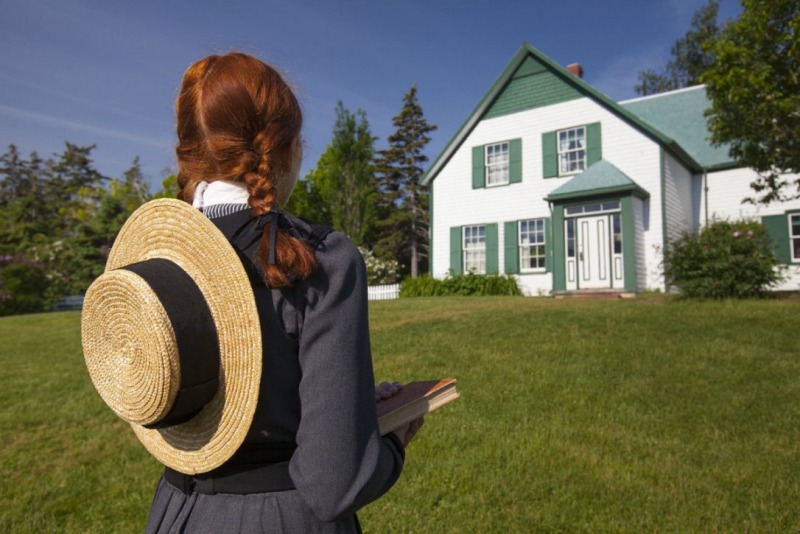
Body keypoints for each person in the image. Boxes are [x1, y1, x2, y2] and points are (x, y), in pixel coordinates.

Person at [144, 52, 422, 532]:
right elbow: (334, 482)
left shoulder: (157, 261)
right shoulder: (318, 261)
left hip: (175, 513)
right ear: (285, 149)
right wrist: (391, 442)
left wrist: (347, 406)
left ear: (189, 154)